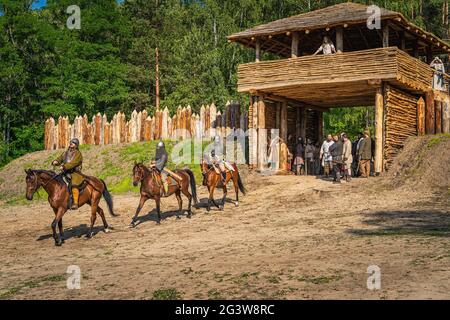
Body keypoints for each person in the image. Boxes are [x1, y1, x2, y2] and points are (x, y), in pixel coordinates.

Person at [52, 138, 83, 210]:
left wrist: (64, 166)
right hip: (65, 172)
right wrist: (56, 161)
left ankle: (75, 203)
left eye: (73, 143)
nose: (71, 143)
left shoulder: (78, 154)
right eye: (71, 142)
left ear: (76, 145)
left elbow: (73, 163)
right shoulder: (65, 153)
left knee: (74, 185)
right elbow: (60, 159)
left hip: (74, 173)